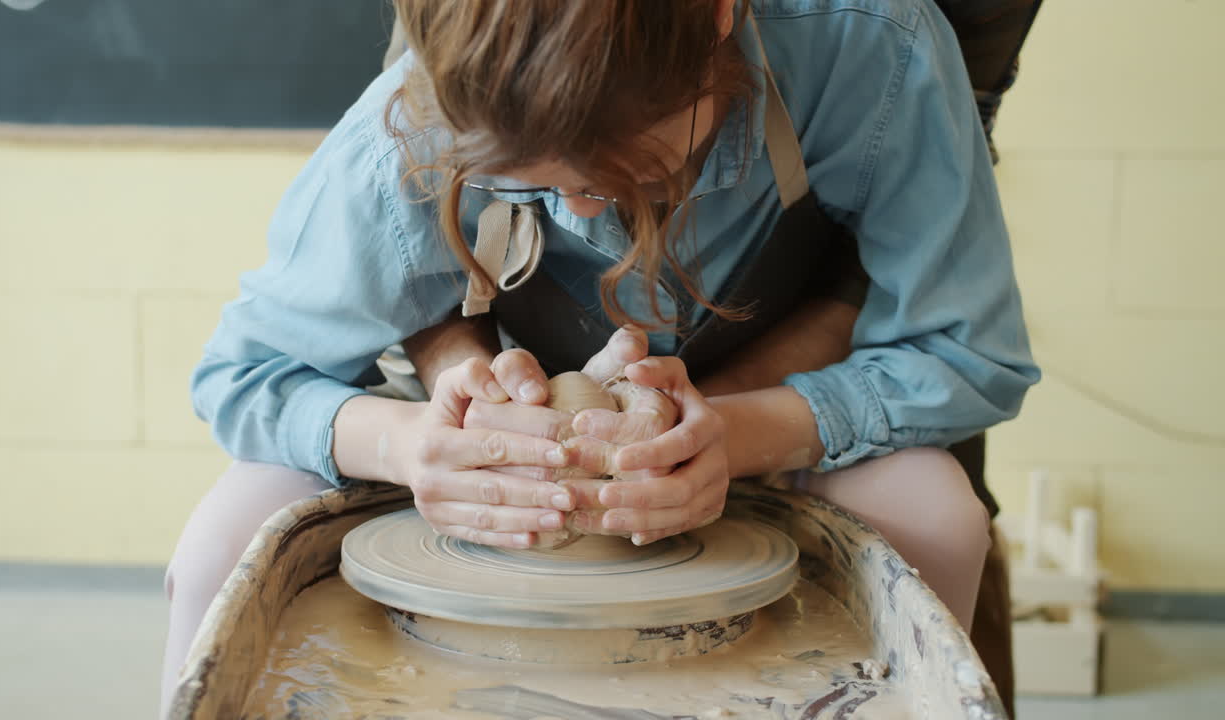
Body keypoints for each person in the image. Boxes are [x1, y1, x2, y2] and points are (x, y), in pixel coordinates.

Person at [161, 0, 1039, 715]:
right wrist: (412, 443)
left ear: (719, 19)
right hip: (499, 402)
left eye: (628, 177)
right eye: (532, 184)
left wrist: (736, 435)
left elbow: (966, 350)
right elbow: (241, 373)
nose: (582, 210)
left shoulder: (871, 45)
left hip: (784, 379)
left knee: (939, 519)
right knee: (218, 549)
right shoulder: (423, 104)